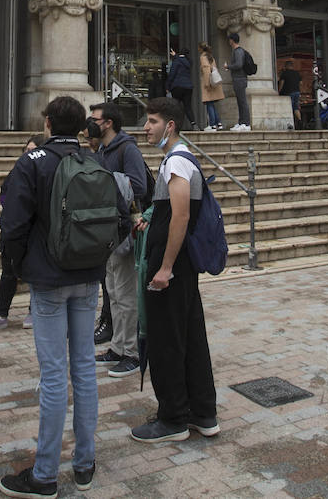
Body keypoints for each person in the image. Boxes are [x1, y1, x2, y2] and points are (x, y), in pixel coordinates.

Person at [0, 97, 127, 498]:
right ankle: (84, 463)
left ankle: (45, 474)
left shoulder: (33, 161)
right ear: (84, 126)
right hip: (88, 278)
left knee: (53, 376)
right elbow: (121, 216)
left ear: (48, 122)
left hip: (48, 279)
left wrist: (18, 266)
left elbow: (13, 223)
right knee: (84, 369)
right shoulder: (97, 160)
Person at [132, 96, 218, 444]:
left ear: (170, 125)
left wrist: (165, 267)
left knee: (167, 340)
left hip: (172, 266)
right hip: (182, 266)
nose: (145, 127)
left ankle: (173, 419)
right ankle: (202, 412)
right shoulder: (179, 160)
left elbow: (180, 215)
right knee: (191, 336)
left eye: (151, 121)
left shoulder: (177, 163)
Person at [89, 101, 149, 379]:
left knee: (126, 294)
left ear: (108, 122)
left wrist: (103, 184)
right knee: (113, 290)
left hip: (125, 229)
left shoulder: (128, 148)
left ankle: (133, 353)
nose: (91, 123)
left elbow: (138, 186)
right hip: (108, 230)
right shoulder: (101, 149)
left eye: (95, 119)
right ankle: (117, 346)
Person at [0, 135, 45, 333]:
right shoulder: (17, 171)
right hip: (13, 232)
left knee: (35, 275)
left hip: (33, 233)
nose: (28, 154)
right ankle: (1, 314)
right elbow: (4, 193)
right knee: (8, 273)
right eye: (26, 149)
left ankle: (33, 311)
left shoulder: (43, 173)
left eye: (32, 150)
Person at [224, 31, 252, 131]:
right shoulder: (237, 51)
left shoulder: (238, 51)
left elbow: (239, 64)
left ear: (232, 40)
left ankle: (246, 123)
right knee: (240, 101)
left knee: (242, 101)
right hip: (239, 79)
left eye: (229, 39)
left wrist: (229, 66)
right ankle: (241, 122)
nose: (229, 41)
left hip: (239, 79)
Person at [165, 47, 197, 130]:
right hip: (188, 87)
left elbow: (172, 74)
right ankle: (194, 124)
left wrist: (167, 86)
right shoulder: (188, 62)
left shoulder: (177, 61)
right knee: (187, 106)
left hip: (177, 86)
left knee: (176, 106)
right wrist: (176, 56)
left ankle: (176, 126)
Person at [198, 43, 225, 131]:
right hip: (214, 82)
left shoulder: (203, 57)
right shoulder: (211, 57)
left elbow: (206, 70)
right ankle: (218, 123)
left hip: (208, 83)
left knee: (209, 103)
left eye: (198, 48)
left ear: (201, 49)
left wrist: (206, 84)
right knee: (211, 104)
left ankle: (212, 124)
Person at [276, 60, 303, 129]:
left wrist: (278, 92)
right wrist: (299, 91)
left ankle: (290, 123)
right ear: (292, 66)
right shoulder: (297, 73)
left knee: (289, 108)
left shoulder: (284, 73)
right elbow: (301, 83)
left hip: (288, 92)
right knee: (296, 107)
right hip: (297, 92)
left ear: (286, 66)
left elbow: (282, 83)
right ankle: (299, 120)